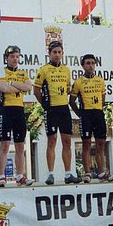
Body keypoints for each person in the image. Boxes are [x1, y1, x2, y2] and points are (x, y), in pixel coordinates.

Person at [35, 41, 80, 185]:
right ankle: (50, 174)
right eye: (54, 52)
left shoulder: (66, 70)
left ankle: (68, 174)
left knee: (67, 141)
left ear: (62, 54)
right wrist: (45, 104)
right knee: (52, 141)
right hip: (51, 109)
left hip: (64, 109)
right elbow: (36, 90)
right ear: (49, 53)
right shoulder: (43, 70)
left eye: (59, 52)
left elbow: (67, 88)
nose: (57, 55)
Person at [69, 54, 113, 183]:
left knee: (101, 144)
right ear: (83, 66)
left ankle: (101, 172)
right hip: (86, 115)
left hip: (98, 114)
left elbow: (103, 99)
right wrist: (80, 114)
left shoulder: (100, 80)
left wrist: (99, 109)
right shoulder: (78, 82)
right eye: (87, 63)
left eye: (93, 63)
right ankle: (87, 173)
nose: (90, 65)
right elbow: (71, 101)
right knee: (86, 144)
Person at [0, 45, 34, 187]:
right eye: (12, 56)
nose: (15, 59)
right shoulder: (1, 72)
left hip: (19, 110)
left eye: (17, 57)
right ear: (6, 58)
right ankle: (1, 176)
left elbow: (29, 87)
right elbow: (4, 88)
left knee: (20, 145)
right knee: (5, 144)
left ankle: (20, 176)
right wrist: (18, 86)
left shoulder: (23, 73)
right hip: (6, 109)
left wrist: (12, 83)